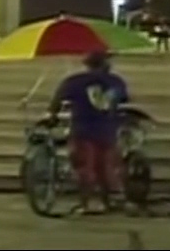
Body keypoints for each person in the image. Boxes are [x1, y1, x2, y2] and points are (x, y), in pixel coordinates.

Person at [47, 50, 129, 215]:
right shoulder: (116, 82)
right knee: (105, 168)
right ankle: (107, 202)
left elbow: (57, 100)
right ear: (105, 64)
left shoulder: (74, 81)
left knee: (84, 169)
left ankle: (85, 204)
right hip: (107, 131)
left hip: (82, 131)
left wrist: (53, 115)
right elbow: (124, 100)